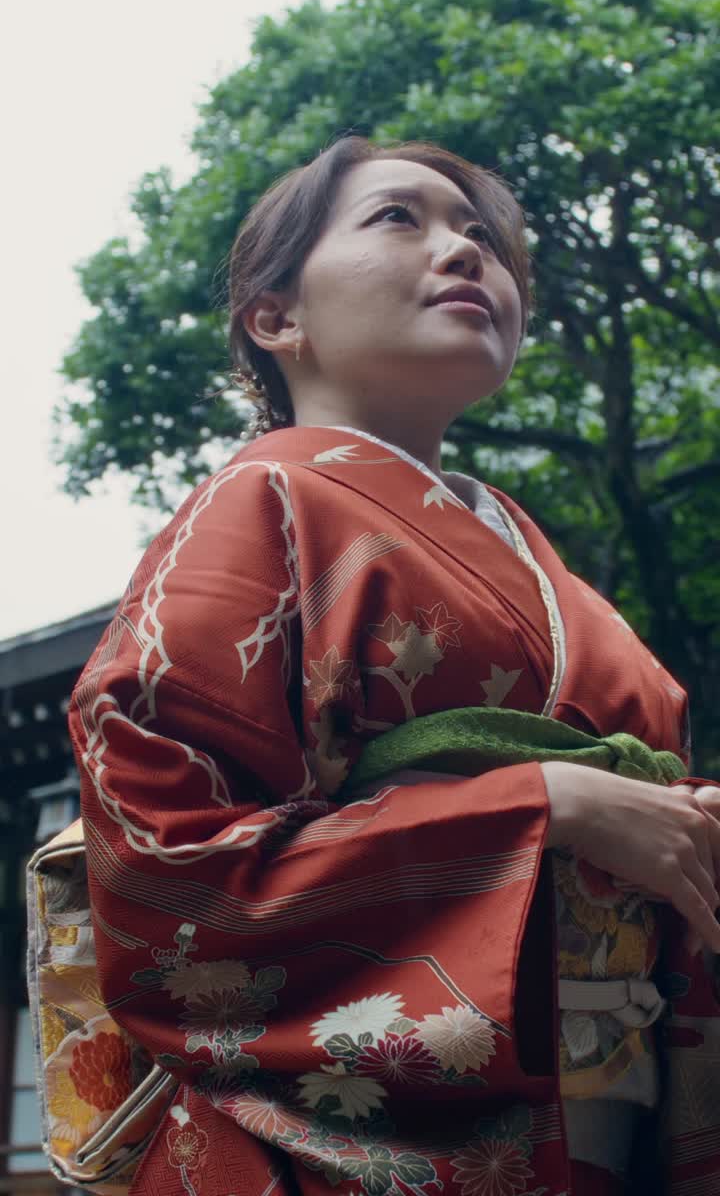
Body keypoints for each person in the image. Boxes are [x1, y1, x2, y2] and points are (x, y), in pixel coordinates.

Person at [68, 136, 720, 1196]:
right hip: (350, 1145)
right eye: (398, 219)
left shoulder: (548, 567)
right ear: (279, 318)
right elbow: (163, 844)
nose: (466, 252)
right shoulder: (263, 499)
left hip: (601, 1121)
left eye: (484, 239)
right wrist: (542, 805)